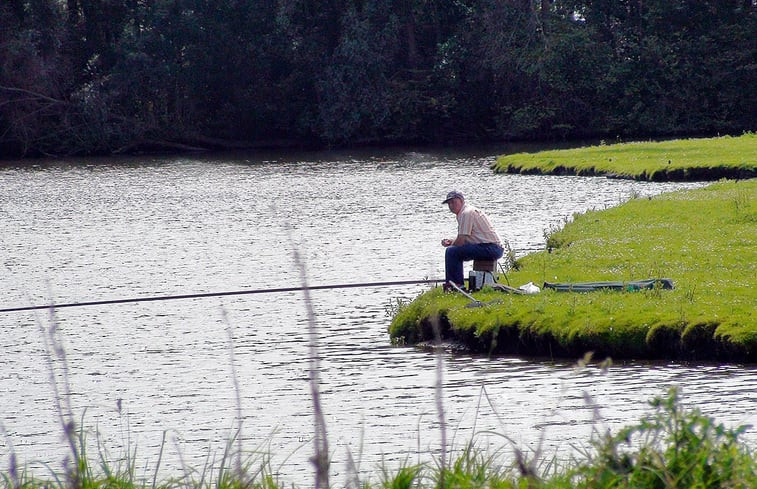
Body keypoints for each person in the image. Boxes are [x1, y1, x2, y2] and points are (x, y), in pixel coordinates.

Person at [440, 190, 504, 290]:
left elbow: (461, 241)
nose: (451, 205)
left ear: (461, 200)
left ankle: (455, 285)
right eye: (449, 203)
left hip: (491, 248)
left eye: (453, 202)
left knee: (452, 252)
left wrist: (452, 245)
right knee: (454, 251)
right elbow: (465, 238)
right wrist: (451, 241)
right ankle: (455, 284)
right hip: (489, 247)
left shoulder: (466, 213)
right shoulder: (464, 213)